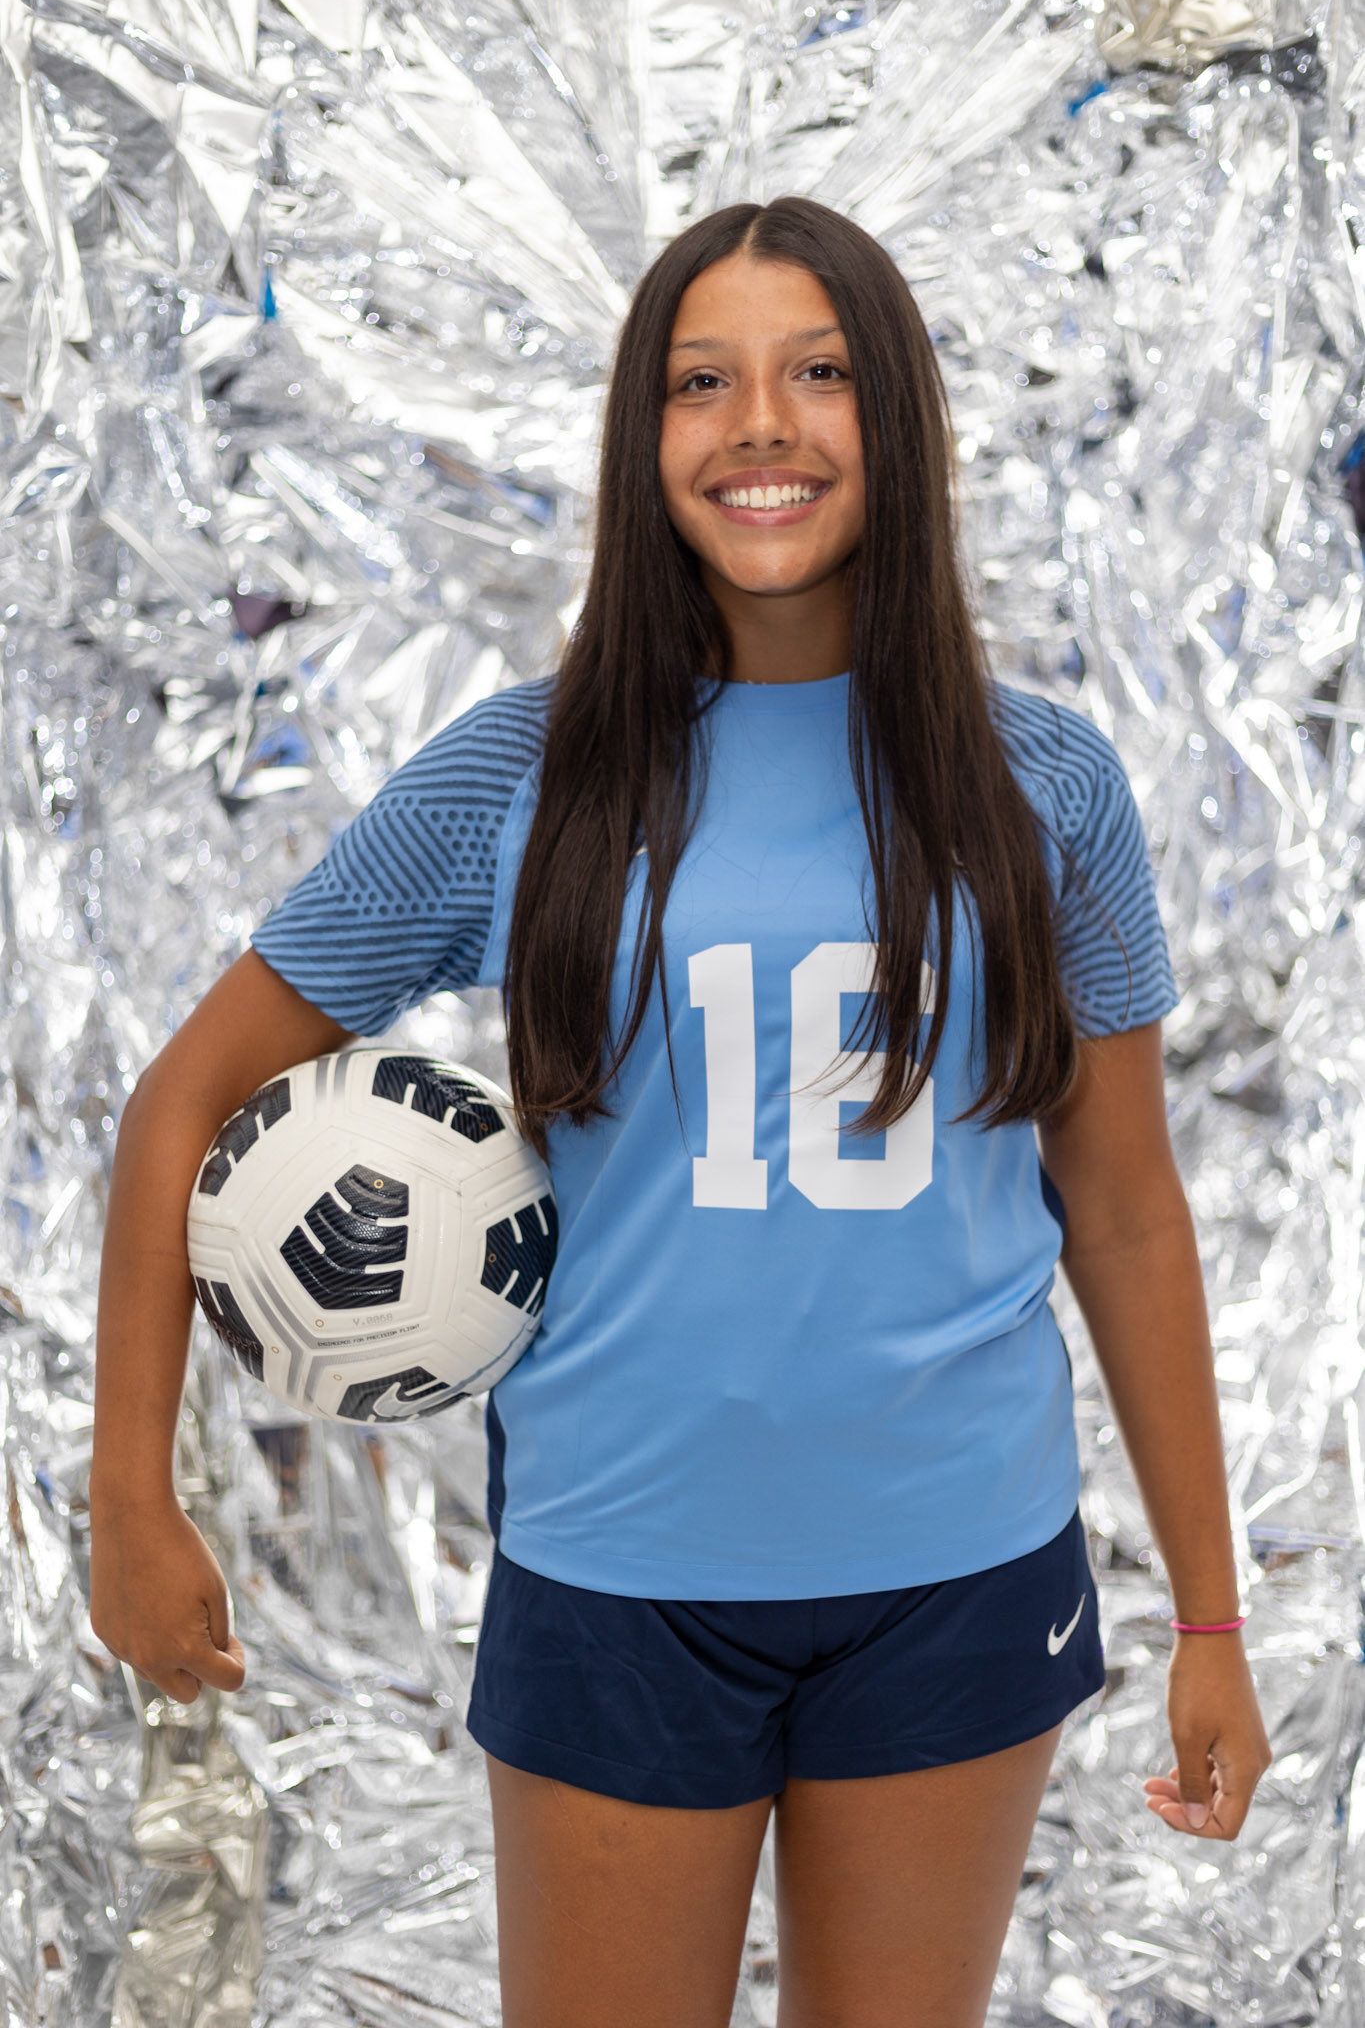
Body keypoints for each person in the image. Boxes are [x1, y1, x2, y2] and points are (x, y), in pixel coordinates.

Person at [90, 196, 1272, 2028]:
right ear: (644, 441)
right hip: (621, 1571)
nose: (761, 427)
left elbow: (1119, 1206)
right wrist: (128, 1491)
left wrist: (1208, 1615)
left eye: (818, 374)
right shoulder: (524, 773)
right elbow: (182, 1103)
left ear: (899, 418)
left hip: (954, 1572)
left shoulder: (1045, 784)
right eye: (701, 382)